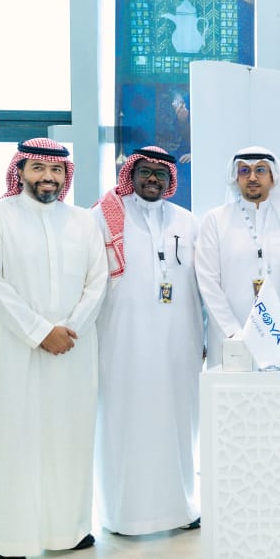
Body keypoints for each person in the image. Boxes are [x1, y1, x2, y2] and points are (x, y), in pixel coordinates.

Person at [0, 138, 108, 559]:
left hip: (71, 348)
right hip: (9, 346)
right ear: (21, 172)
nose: (48, 177)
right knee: (10, 439)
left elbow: (97, 281)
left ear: (66, 176)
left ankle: (65, 529)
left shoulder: (83, 221)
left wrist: (70, 329)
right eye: (39, 169)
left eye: (57, 170)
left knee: (68, 438)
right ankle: (5, 538)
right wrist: (41, 331)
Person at [91, 146, 204, 536]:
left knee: (179, 421)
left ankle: (181, 506)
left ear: (171, 180)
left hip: (179, 340)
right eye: (145, 171)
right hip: (122, 340)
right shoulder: (104, 217)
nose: (152, 179)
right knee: (125, 419)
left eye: (160, 173)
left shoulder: (187, 221)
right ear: (131, 175)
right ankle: (123, 513)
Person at [196, 146, 280, 366]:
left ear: (273, 177)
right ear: (235, 178)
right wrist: (233, 331)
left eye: (260, 170)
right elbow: (208, 282)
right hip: (230, 336)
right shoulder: (215, 220)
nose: (252, 177)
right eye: (244, 171)